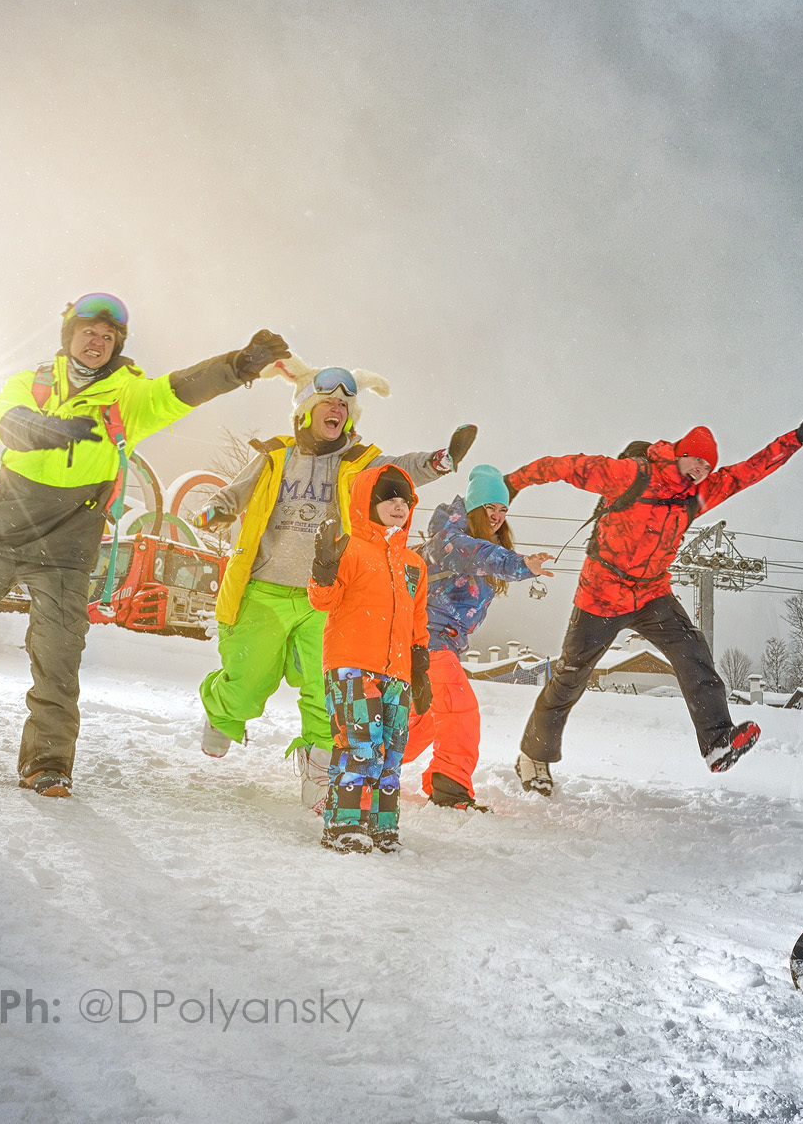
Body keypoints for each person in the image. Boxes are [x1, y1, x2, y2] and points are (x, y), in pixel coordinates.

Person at [0, 294, 289, 797]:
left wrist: (238, 365)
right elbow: (7, 420)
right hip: (2, 527)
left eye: (108, 337)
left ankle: (47, 763)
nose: (98, 342)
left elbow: (180, 390)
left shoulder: (128, 397)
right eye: (89, 332)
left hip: (69, 536)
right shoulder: (34, 381)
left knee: (58, 655)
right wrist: (49, 429)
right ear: (69, 337)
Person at [504, 402, 803, 794]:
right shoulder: (630, 475)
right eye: (696, 461)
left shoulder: (696, 495)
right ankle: (533, 755)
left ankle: (716, 741)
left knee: (693, 651)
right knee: (571, 677)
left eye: (707, 467)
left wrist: (793, 440)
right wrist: (513, 482)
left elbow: (746, 473)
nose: (701, 471)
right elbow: (567, 466)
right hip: (603, 593)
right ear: (681, 452)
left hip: (652, 592)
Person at [193, 354, 472, 808]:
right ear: (305, 408)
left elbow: (401, 470)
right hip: (264, 589)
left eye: (345, 408)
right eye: (328, 403)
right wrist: (215, 509)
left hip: (326, 597)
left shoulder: (359, 460)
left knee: (327, 689)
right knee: (248, 680)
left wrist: (440, 461)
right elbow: (235, 492)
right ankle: (224, 712)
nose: (337, 411)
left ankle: (320, 767)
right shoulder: (277, 455)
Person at [402, 464, 555, 809]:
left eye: (503, 509)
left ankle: (368, 760)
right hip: (428, 639)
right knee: (460, 711)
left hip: (438, 645)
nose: (498, 516)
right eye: (490, 507)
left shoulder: (478, 540)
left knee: (424, 722)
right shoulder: (450, 539)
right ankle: (450, 789)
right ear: (473, 508)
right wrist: (523, 565)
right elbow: (481, 555)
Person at [305, 463, 430, 854]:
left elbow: (419, 621)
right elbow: (323, 599)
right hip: (352, 662)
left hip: (399, 671)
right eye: (387, 498)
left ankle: (382, 825)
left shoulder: (414, 563)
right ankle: (344, 823)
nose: (397, 505)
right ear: (367, 503)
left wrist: (420, 668)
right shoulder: (351, 549)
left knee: (392, 753)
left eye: (404, 499)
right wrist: (324, 568)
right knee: (359, 746)